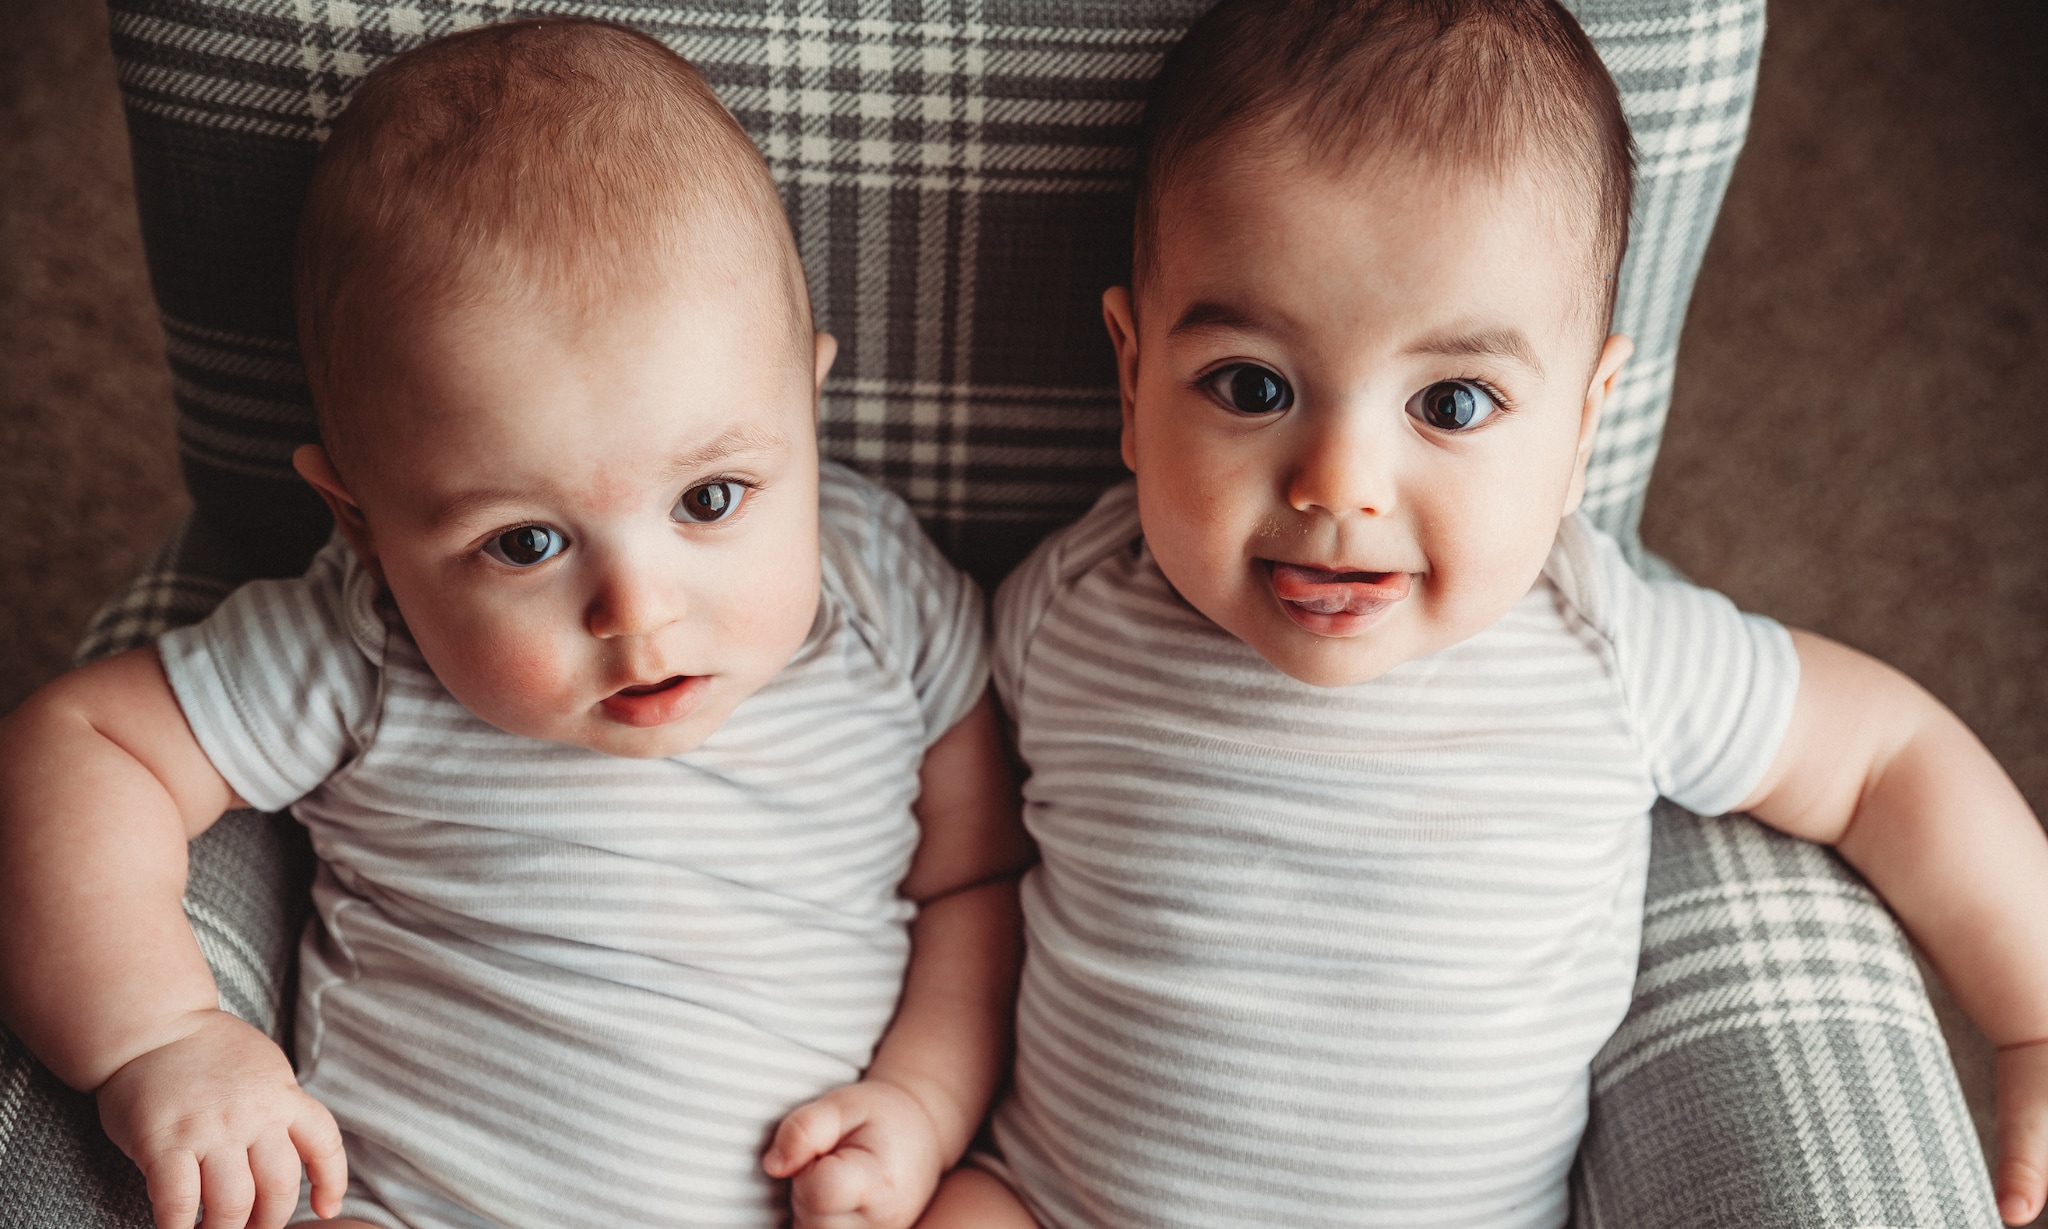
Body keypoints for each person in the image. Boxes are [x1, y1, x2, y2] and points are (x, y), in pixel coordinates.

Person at [920, 1, 2048, 1226]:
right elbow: (931, 809)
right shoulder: (1068, 606)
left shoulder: (1609, 646)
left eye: (1451, 404)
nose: (1337, 484)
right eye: (1251, 386)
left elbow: (1884, 756)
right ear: (1133, 380)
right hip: (1055, 1200)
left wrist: (2033, 1012)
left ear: (1580, 423)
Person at [0, 20, 1030, 1229]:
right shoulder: (365, 640)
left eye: (709, 499)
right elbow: (75, 746)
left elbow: (978, 875)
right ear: (364, 518)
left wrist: (917, 1099)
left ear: (805, 407)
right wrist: (163, 1036)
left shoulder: (883, 595)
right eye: (524, 542)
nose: (637, 610)